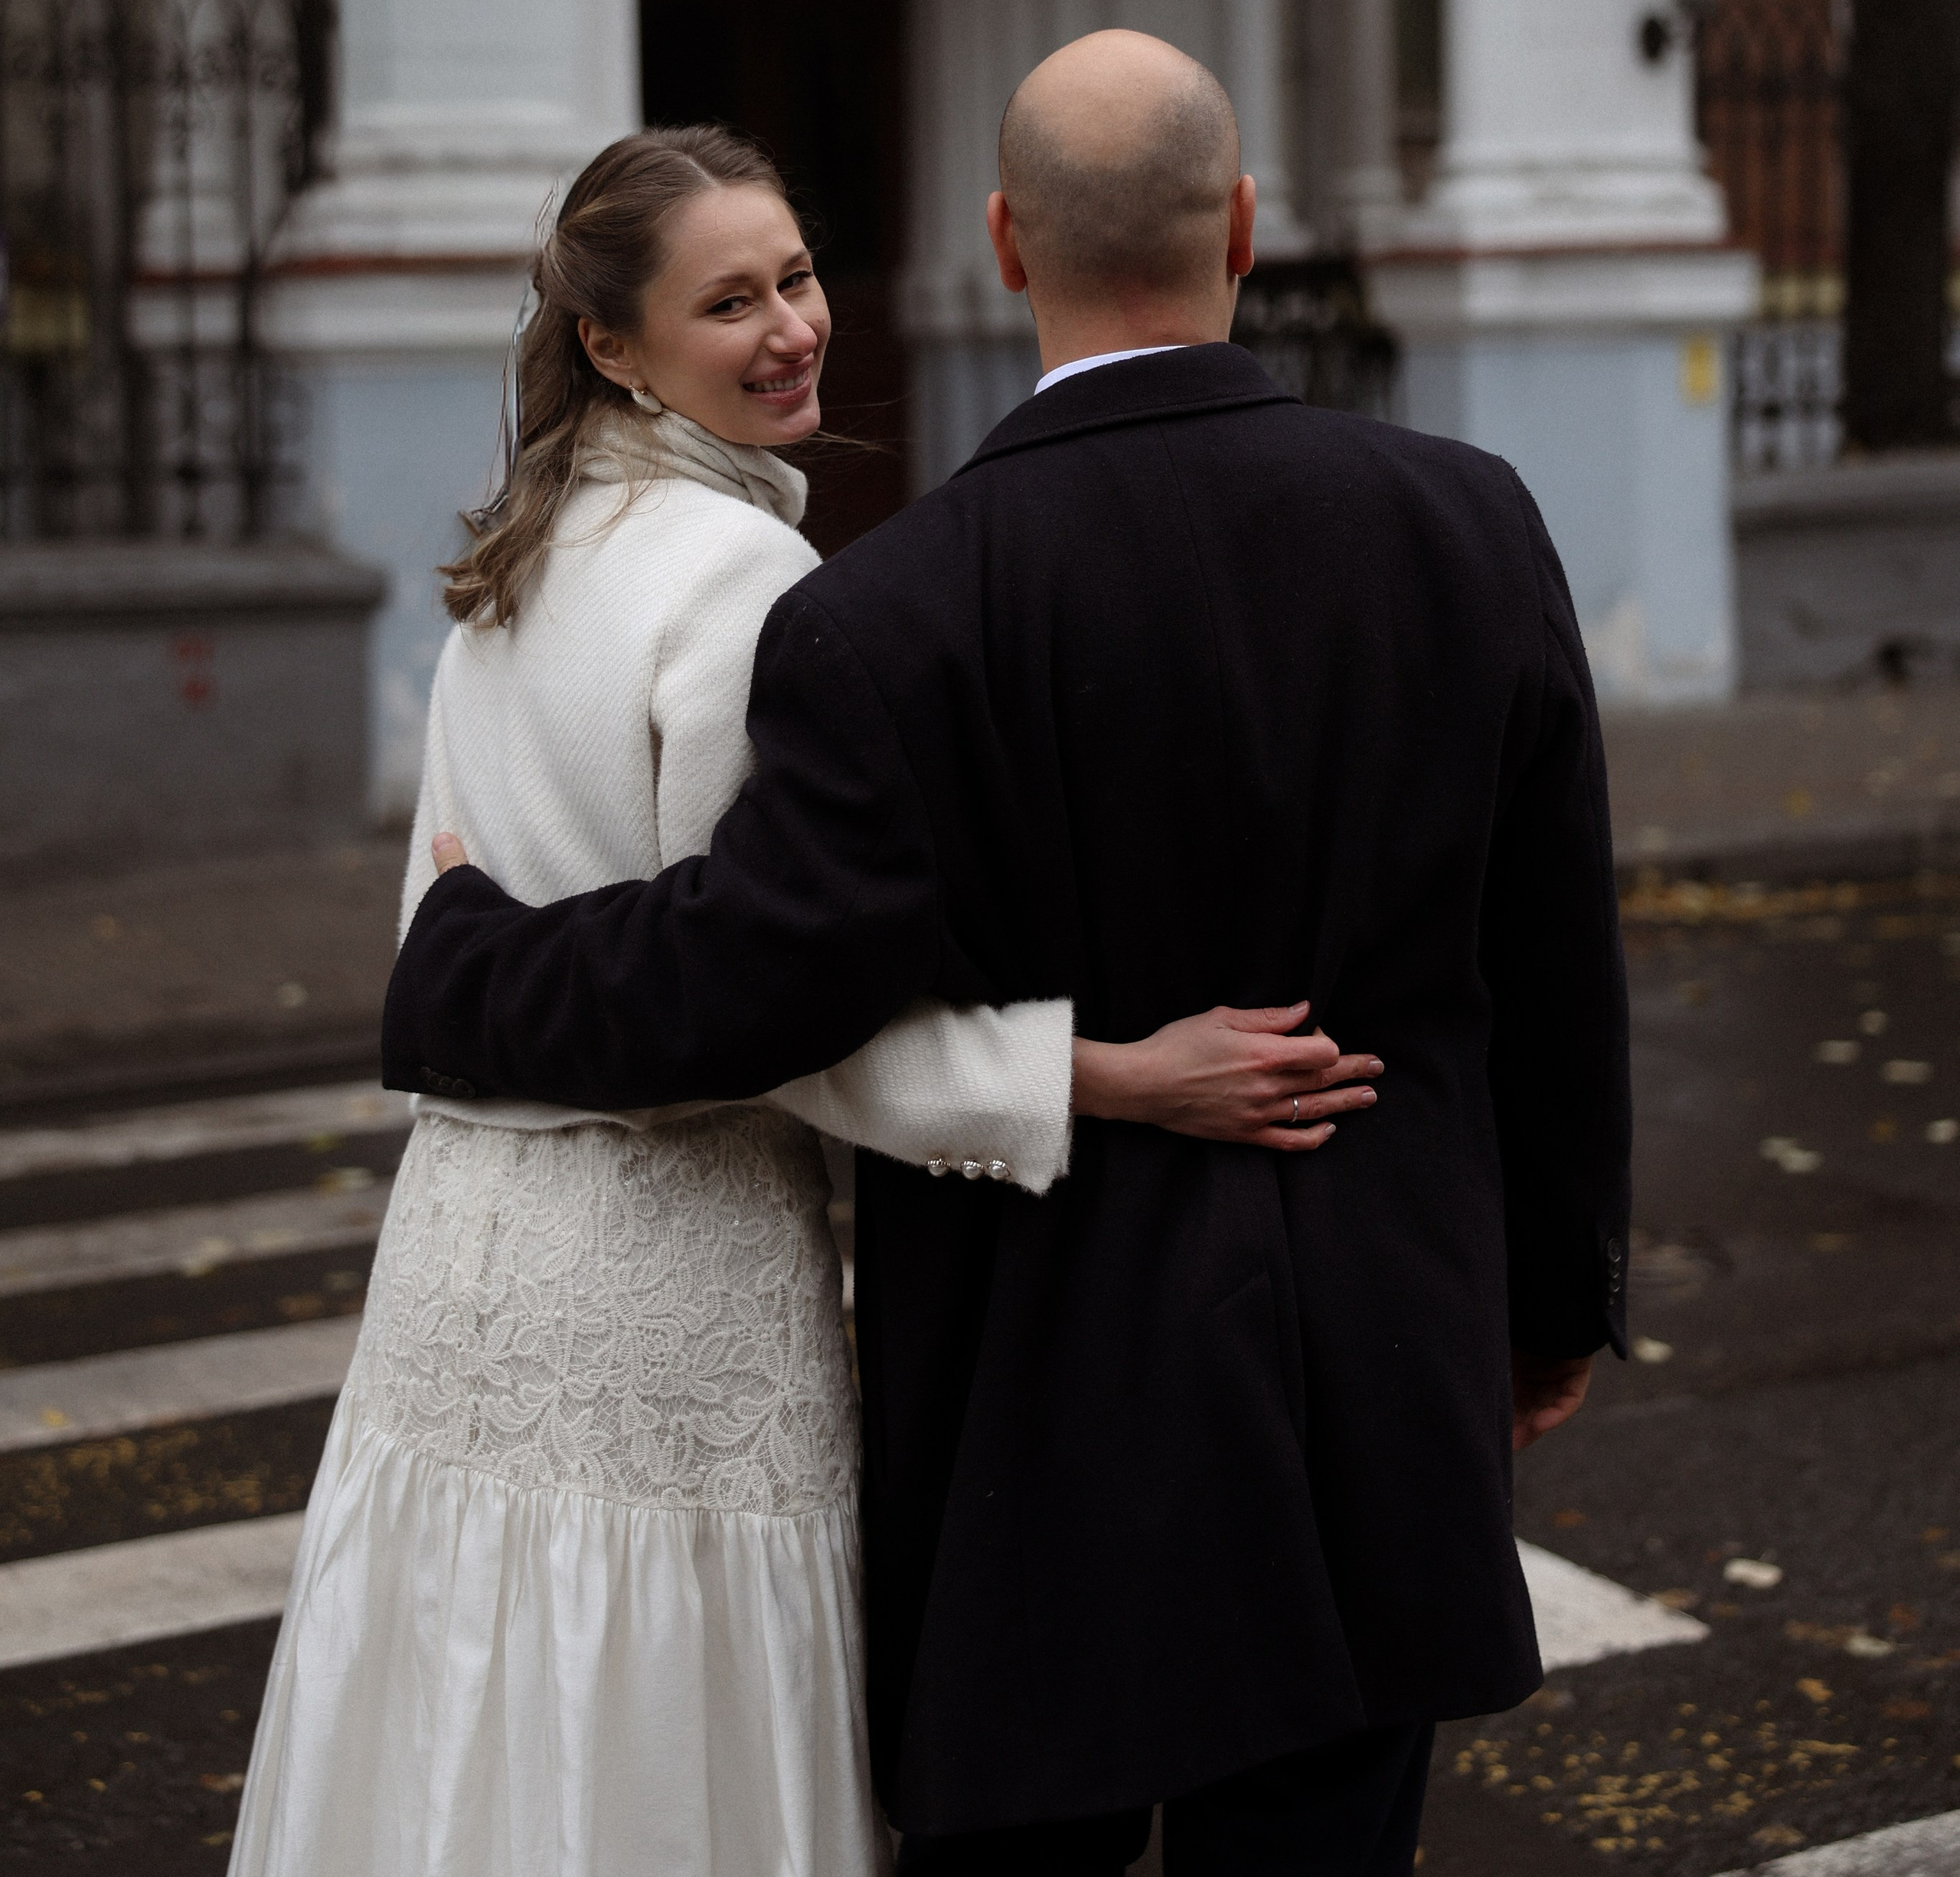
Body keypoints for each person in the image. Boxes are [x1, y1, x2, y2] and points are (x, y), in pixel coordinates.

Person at [384, 36, 1632, 1877]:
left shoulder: (892, 612)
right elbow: (1552, 966)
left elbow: (753, 981)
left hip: (1034, 1436)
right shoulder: (1471, 523)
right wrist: (1544, 1310)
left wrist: (461, 964)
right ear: (1242, 226)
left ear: (999, 245)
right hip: (1383, 1376)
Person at [232, 121, 1377, 1877]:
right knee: (662, 1736)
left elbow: (467, 926)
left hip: (461, 1264)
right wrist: (1104, 1078)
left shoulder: (509, 565)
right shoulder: (751, 581)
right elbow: (779, 1015)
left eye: (797, 277)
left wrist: (459, 986)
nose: (793, 328)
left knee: (475, 1731)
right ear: (612, 343)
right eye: (729, 303)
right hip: (669, 1279)